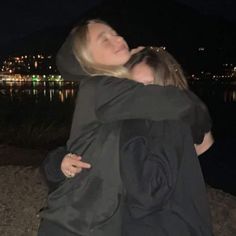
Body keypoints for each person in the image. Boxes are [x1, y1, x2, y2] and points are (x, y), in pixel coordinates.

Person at [38, 19, 211, 236]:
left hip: (98, 225)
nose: (117, 39)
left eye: (114, 32)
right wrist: (199, 121)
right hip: (71, 224)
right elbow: (175, 103)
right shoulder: (97, 88)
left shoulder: (118, 101)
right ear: (87, 60)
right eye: (104, 40)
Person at [119, 46, 213, 235]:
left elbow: (146, 195)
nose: (142, 96)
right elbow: (204, 142)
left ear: (166, 85)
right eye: (134, 88)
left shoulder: (168, 122)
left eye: (148, 86)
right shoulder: (176, 117)